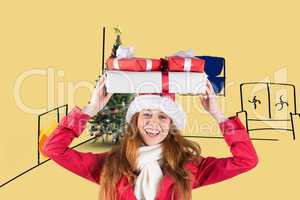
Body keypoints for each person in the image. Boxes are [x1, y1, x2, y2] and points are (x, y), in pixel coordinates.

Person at [43, 75, 259, 200]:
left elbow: (246, 160)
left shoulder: (189, 167)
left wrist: (218, 114)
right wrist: (90, 108)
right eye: (146, 114)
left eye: (163, 117)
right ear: (135, 120)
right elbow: (54, 149)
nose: (153, 123)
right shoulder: (110, 164)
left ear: (171, 125)